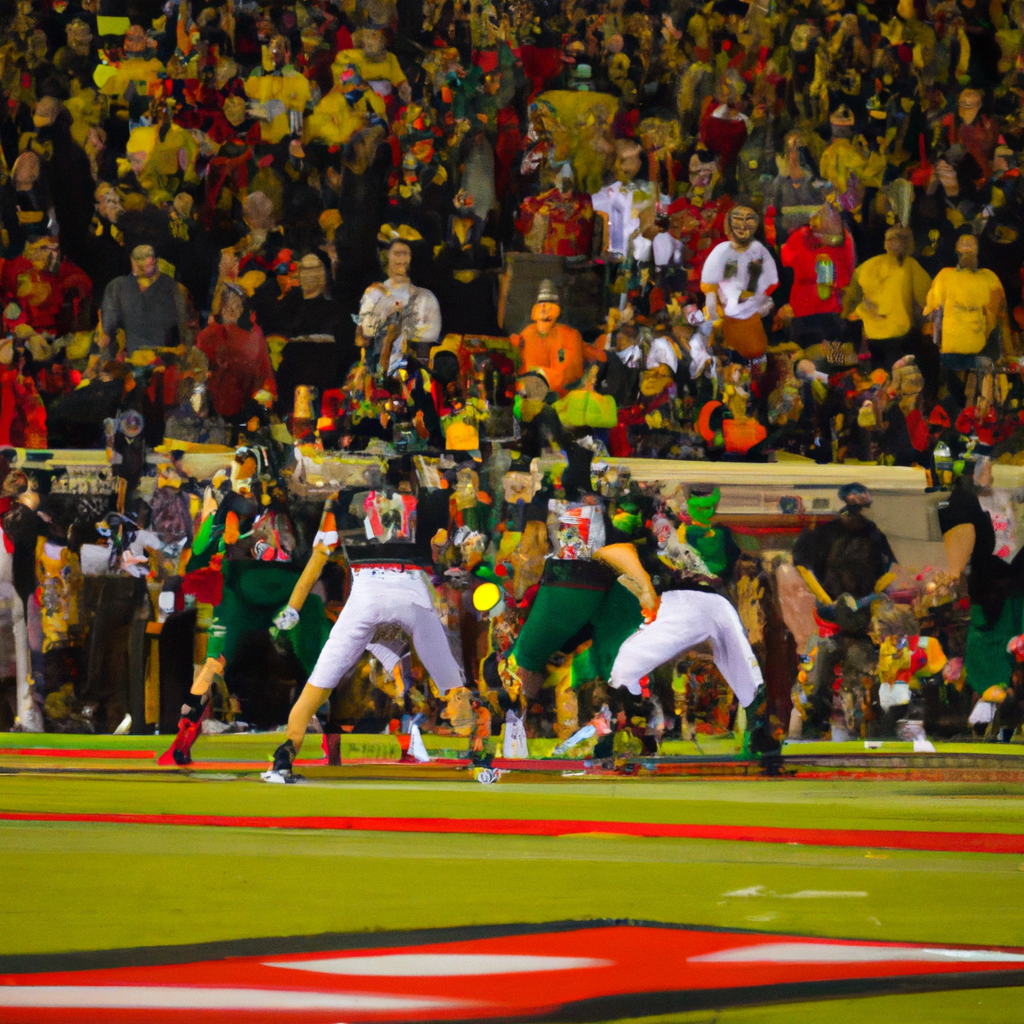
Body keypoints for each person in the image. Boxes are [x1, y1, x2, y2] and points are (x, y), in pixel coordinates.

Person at [264, 462, 464, 782]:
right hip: (410, 586)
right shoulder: (421, 496)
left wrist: (293, 607)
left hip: (366, 592)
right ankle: (480, 749)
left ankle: (285, 754)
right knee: (448, 675)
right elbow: (441, 542)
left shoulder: (344, 499)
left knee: (320, 682)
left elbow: (319, 556)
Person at [100, 245, 191, 355]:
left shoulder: (176, 290)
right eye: (136, 264)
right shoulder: (118, 287)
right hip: (128, 357)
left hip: (164, 358)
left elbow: (186, 333)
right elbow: (107, 333)